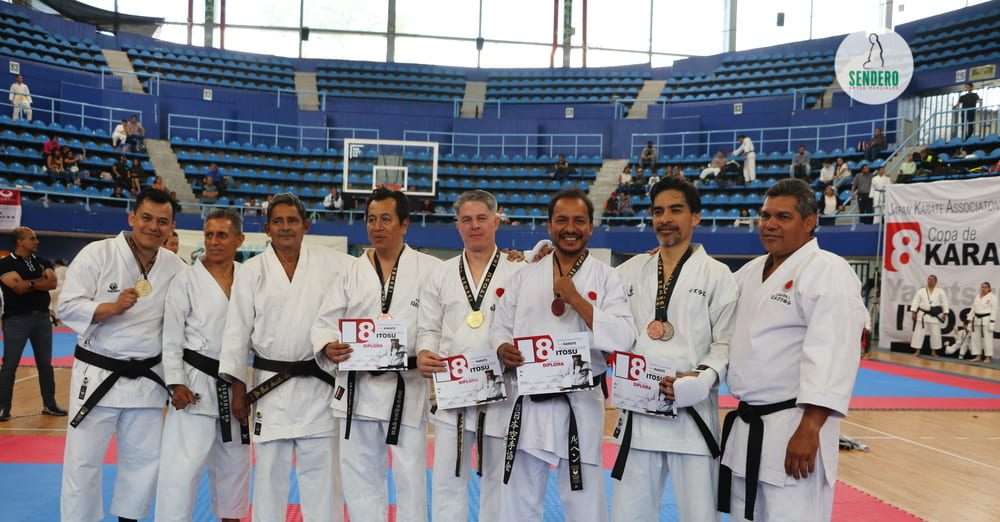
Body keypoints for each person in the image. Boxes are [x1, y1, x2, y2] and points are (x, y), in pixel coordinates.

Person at [718, 178, 866, 522]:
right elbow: (713, 304)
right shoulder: (751, 271)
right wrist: (670, 258)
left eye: (783, 217)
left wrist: (811, 427)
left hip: (794, 427)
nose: (770, 224)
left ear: (810, 221)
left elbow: (833, 352)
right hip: (748, 426)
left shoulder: (827, 270)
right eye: (765, 216)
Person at [490, 188, 636, 522]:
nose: (570, 228)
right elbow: (500, 327)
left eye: (579, 221)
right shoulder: (524, 276)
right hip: (530, 402)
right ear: (549, 225)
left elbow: (624, 337)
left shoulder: (607, 277)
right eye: (562, 220)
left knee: (584, 500)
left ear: (591, 227)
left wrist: (577, 299)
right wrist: (502, 347)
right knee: (519, 498)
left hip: (580, 404)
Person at [219, 193, 351, 522]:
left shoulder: (335, 265)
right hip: (269, 389)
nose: (285, 227)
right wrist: (237, 387)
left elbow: (369, 278)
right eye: (277, 221)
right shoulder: (251, 272)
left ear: (306, 225)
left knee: (323, 484)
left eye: (292, 220)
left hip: (319, 387)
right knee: (268, 481)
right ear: (267, 229)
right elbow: (236, 331)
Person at [311, 188, 441, 522]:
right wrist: (327, 345)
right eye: (371, 219)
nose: (377, 227)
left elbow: (435, 322)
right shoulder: (350, 271)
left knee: (410, 478)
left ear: (405, 224)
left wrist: (427, 350)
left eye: (385, 219)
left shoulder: (430, 269)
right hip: (358, 391)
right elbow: (325, 322)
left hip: (405, 387)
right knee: (359, 480)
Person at [612, 177, 737, 521]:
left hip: (692, 417)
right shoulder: (629, 271)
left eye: (675, 210)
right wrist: (537, 255)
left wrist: (702, 378)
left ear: (695, 217)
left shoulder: (717, 275)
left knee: (700, 515)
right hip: (638, 414)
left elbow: (726, 342)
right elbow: (587, 286)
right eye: (658, 211)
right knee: (628, 515)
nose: (665, 218)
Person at [58, 189, 187, 522]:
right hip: (98, 375)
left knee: (143, 461)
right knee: (83, 462)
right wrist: (110, 308)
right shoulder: (97, 254)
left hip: (147, 380)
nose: (153, 227)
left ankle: (129, 519)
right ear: (132, 218)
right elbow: (67, 307)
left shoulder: (175, 266)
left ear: (172, 226)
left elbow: (184, 322)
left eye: (162, 221)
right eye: (146, 218)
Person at [415, 190, 523, 522]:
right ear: (457, 225)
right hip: (454, 393)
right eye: (466, 220)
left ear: (496, 221)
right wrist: (424, 352)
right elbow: (428, 326)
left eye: (481, 218)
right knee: (447, 480)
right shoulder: (440, 273)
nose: (474, 226)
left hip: (503, 390)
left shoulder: (519, 269)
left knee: (500, 481)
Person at [155, 210, 250, 522]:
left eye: (222, 235)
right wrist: (175, 383)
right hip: (194, 384)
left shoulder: (249, 278)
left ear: (239, 239)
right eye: (209, 235)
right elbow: (171, 337)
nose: (214, 241)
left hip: (236, 387)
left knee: (235, 467)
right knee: (181, 469)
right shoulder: (185, 279)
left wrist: (244, 385)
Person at [0, 227, 64, 421]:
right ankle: (3, 408)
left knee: (45, 364)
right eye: (32, 238)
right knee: (10, 365)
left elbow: (52, 283)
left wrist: (29, 283)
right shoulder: (5, 264)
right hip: (16, 320)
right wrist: (39, 282)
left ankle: (50, 404)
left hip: (42, 318)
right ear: (20, 241)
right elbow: (17, 288)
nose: (37, 241)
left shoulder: (42, 261)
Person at [909, 275, 950, 357]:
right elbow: (915, 301)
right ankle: (917, 351)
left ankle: (934, 352)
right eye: (928, 279)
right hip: (923, 315)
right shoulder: (921, 291)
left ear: (936, 281)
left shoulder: (940, 291)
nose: (929, 281)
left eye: (931, 280)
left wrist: (945, 313)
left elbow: (944, 302)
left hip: (934, 316)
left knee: (935, 334)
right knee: (918, 334)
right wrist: (913, 312)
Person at [968, 282, 994, 363]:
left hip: (987, 319)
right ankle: (978, 356)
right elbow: (973, 308)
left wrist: (992, 322)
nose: (983, 288)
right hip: (976, 319)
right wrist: (970, 318)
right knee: (976, 338)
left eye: (985, 287)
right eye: (982, 287)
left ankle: (988, 357)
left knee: (987, 339)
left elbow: (994, 310)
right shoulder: (977, 296)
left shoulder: (992, 297)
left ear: (989, 289)